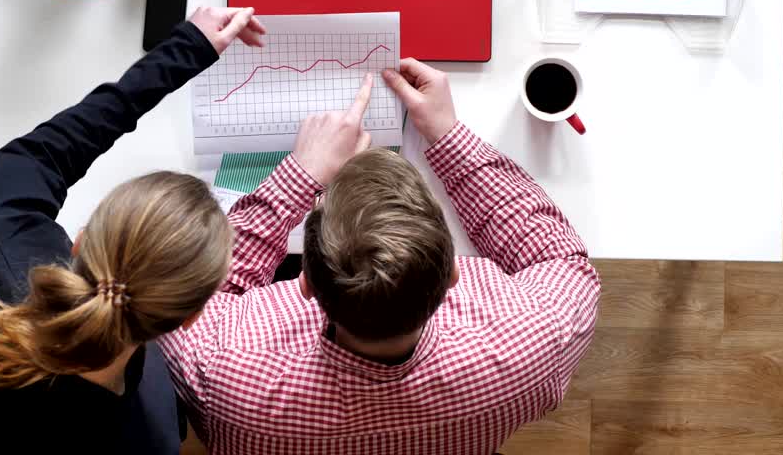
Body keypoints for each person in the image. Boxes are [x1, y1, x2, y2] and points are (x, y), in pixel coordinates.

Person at [159, 59, 602, 454]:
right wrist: (448, 137)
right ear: (451, 274)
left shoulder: (225, 381)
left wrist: (302, 174)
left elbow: (190, 291)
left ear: (305, 281)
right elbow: (560, 258)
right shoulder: (531, 349)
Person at [0, 6, 266, 454]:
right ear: (190, 318)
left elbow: (41, 156)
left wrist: (185, 50)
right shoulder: (152, 434)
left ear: (84, 239)